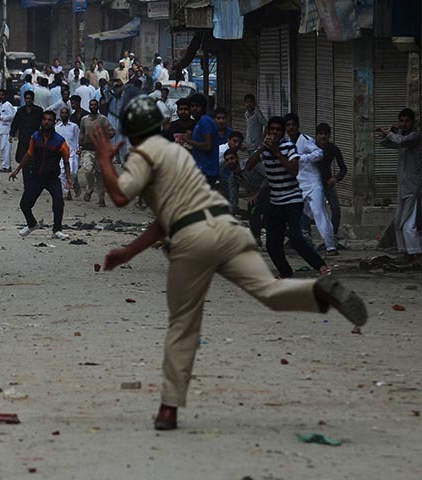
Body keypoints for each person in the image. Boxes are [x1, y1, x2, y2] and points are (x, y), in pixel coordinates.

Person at [91, 94, 367, 431]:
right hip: (225, 227)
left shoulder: (143, 154)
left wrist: (104, 158)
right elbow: (166, 218)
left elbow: (120, 196)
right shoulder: (178, 153)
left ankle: (169, 409)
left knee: (183, 325)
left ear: (133, 133)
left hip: (191, 241)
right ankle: (320, 293)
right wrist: (129, 251)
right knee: (268, 290)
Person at [246, 116, 330, 277]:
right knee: (272, 243)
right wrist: (262, 149)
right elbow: (249, 166)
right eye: (272, 130)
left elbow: (293, 170)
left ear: (282, 132)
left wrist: (277, 153)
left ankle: (320, 265)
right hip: (276, 201)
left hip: (293, 199)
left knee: (295, 236)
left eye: (278, 130)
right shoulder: (263, 149)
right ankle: (285, 272)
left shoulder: (289, 147)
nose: (274, 133)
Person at [9, 110, 72, 240]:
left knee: (58, 202)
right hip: (36, 176)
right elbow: (29, 154)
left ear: (54, 123)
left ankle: (57, 230)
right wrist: (18, 169)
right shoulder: (35, 137)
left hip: (52, 178)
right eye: (44, 119)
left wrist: (69, 178)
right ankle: (32, 224)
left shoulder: (60, 141)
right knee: (24, 204)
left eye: (49, 120)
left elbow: (66, 162)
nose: (46, 122)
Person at [284, 113, 337, 255]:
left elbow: (318, 153)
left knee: (319, 214)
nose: (291, 128)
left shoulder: (305, 140)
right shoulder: (286, 144)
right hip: (298, 185)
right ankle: (300, 243)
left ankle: (330, 246)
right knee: (295, 214)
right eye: (288, 125)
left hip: (313, 183)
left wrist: (300, 158)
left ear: (298, 126)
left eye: (293, 125)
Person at [376, 108, 422, 262]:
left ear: (413, 122)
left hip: (413, 187)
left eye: (407, 121)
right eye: (401, 121)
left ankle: (417, 253)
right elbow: (385, 143)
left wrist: (389, 133)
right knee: (398, 223)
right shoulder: (401, 137)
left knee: (408, 225)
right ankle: (406, 253)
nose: (404, 124)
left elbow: (400, 141)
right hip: (403, 187)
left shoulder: (414, 137)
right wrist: (390, 132)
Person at [79, 99, 114, 207]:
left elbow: (112, 131)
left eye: (95, 105)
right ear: (89, 106)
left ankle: (101, 198)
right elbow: (82, 133)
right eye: (91, 105)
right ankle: (90, 188)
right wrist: (80, 146)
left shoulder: (103, 119)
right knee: (88, 170)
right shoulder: (84, 119)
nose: (93, 106)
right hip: (87, 149)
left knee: (100, 175)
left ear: (97, 106)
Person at [315, 123, 347, 238]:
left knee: (336, 209)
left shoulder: (333, 148)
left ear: (329, 135)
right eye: (321, 134)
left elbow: (343, 168)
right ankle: (305, 234)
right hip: (314, 183)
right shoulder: (311, 147)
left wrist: (336, 178)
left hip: (327, 183)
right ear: (317, 135)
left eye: (326, 134)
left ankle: (333, 235)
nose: (323, 136)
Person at [183, 94, 220, 186]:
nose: (194, 109)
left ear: (203, 108)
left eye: (198, 106)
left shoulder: (205, 121)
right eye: (192, 106)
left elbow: (208, 146)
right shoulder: (198, 122)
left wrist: (188, 141)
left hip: (206, 171)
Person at [10, 90, 44, 174]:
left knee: (35, 158)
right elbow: (15, 123)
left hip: (35, 138)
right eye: (27, 98)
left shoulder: (38, 111)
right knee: (23, 159)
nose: (28, 100)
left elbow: (43, 124)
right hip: (23, 138)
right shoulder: (20, 111)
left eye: (30, 98)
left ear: (32, 99)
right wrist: (11, 134)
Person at [56, 106, 80, 200]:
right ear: (60, 115)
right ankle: (67, 192)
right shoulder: (57, 127)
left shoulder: (74, 126)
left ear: (68, 114)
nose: (64, 115)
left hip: (72, 153)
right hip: (61, 154)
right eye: (62, 113)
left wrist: (79, 149)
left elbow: (78, 139)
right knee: (62, 173)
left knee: (73, 172)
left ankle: (74, 183)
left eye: (66, 113)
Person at [0, 89, 15, 173]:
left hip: (7, 131)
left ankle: (7, 166)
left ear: (6, 96)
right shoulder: (1, 105)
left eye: (2, 95)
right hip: (1, 130)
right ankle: (5, 165)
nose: (1, 97)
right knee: (3, 149)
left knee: (6, 149)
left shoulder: (7, 105)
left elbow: (12, 115)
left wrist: (2, 117)